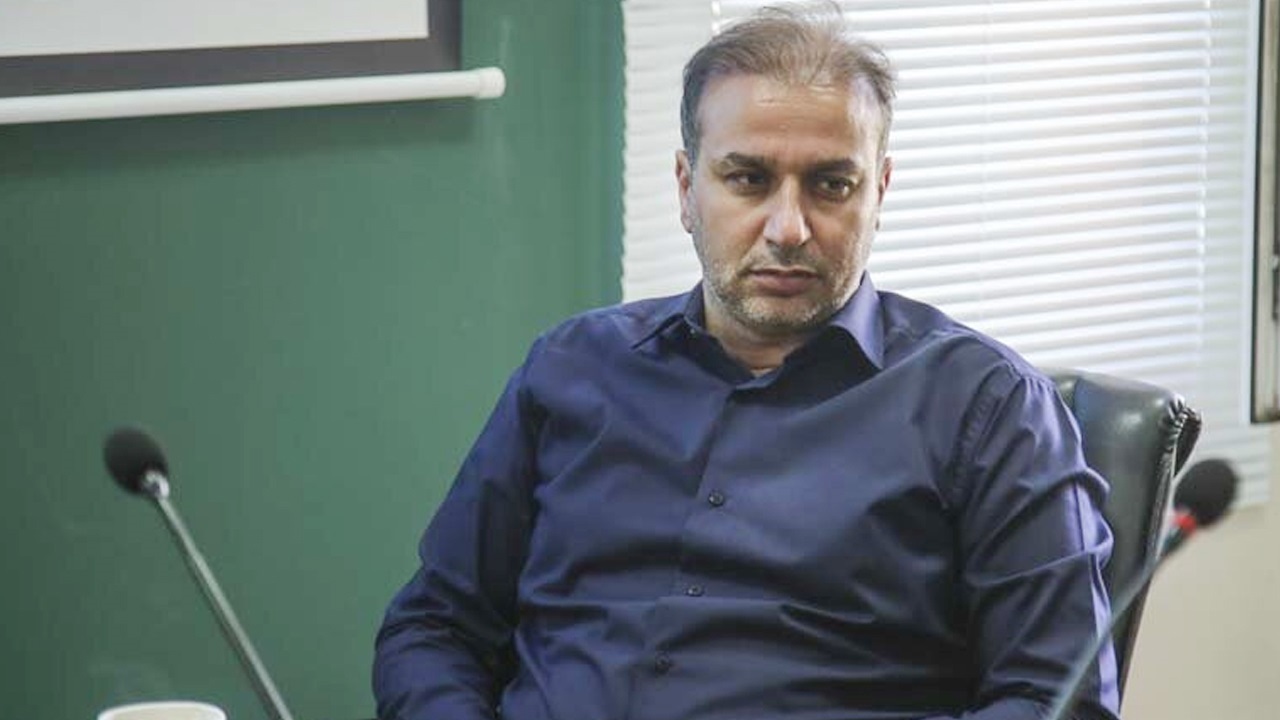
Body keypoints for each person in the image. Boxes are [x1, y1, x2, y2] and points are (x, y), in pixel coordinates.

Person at [373, 5, 1120, 719]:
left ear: (880, 192)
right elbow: (434, 629)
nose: (788, 228)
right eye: (748, 179)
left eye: (832, 185)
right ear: (686, 188)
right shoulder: (572, 368)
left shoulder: (989, 409)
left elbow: (1061, 702)